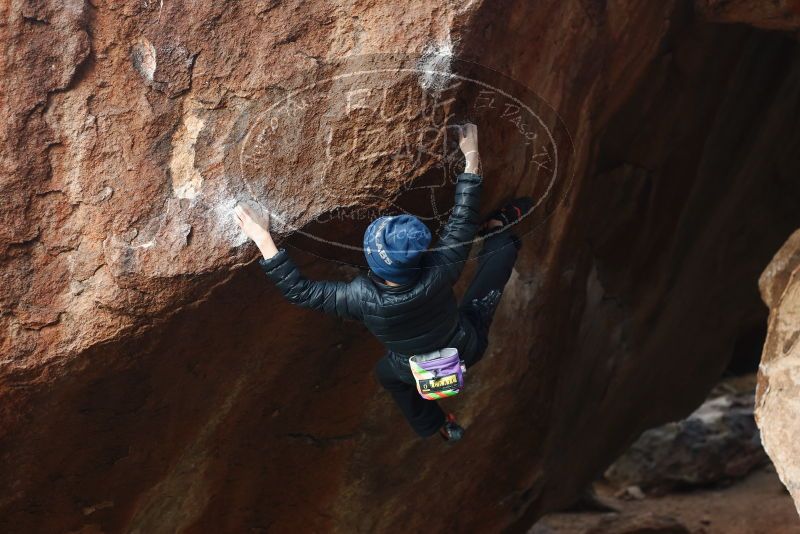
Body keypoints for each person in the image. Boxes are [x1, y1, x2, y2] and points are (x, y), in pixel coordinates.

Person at [234, 123, 531, 442]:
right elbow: (463, 217)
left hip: (411, 368)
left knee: (389, 378)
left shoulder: (362, 298)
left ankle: (436, 425)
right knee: (499, 253)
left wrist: (263, 237)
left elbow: (299, 291)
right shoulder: (441, 267)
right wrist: (471, 155)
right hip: (464, 347)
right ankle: (499, 227)